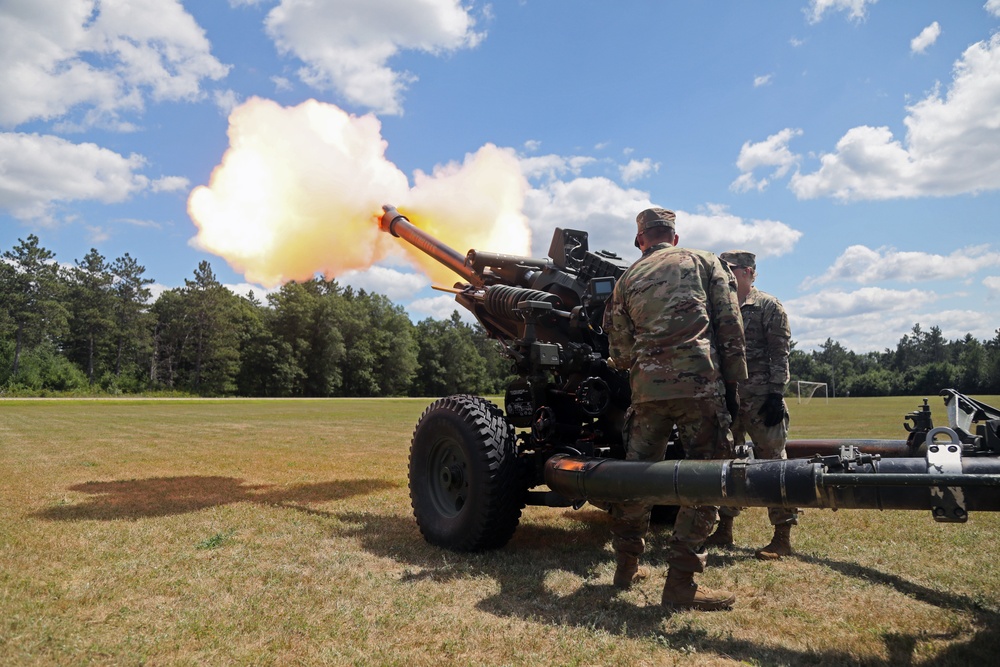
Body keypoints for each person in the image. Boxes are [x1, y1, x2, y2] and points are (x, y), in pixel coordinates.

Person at [603, 207, 747, 611]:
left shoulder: (626, 279)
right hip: (699, 385)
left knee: (636, 480)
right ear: (674, 236)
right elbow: (729, 322)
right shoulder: (704, 261)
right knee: (706, 480)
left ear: (640, 240)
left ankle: (626, 565)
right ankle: (681, 584)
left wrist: (647, 367)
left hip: (647, 392)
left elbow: (619, 349)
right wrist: (734, 384)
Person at [704, 250, 796, 560]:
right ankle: (725, 529)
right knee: (727, 463)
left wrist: (775, 394)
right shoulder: (718, 308)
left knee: (773, 463)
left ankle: (781, 536)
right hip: (729, 399)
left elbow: (779, 353)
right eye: (723, 269)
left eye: (732, 269)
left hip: (761, 400)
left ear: (749, 272)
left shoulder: (769, 306)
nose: (727, 275)